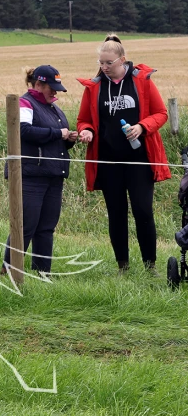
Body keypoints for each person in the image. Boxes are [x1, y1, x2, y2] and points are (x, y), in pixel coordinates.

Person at [76, 34, 171, 273]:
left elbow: (161, 114)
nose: (104, 67)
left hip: (140, 160)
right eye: (101, 62)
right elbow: (84, 120)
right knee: (116, 214)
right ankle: (123, 267)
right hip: (108, 161)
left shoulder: (142, 81)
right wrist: (86, 131)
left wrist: (142, 127)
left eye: (109, 63)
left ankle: (150, 266)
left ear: (123, 60)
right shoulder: (94, 87)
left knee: (142, 211)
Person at [2, 65, 78, 274]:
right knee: (25, 226)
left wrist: (68, 139)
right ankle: (9, 271)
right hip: (31, 176)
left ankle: (42, 273)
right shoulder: (25, 103)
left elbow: (54, 141)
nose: (55, 92)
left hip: (53, 176)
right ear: (38, 84)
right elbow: (23, 130)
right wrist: (58, 133)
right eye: (51, 88)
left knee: (46, 228)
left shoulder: (53, 108)